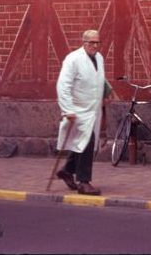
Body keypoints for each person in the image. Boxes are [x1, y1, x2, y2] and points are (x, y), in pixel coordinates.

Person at [55, 29, 110, 195]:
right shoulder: (73, 59)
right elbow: (63, 86)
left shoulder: (99, 58)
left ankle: (66, 170)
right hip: (78, 110)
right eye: (91, 42)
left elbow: (99, 78)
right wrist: (67, 110)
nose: (95, 46)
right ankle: (84, 182)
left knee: (82, 142)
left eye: (97, 42)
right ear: (84, 42)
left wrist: (107, 91)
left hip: (93, 109)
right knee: (87, 142)